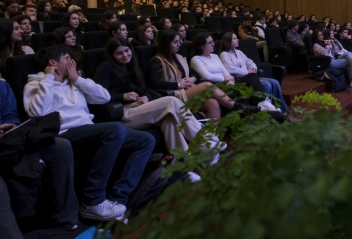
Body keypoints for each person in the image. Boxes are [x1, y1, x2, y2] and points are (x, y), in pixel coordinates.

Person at [24, 45, 155, 221]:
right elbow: (36, 113)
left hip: (88, 131)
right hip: (62, 135)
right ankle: (92, 200)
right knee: (115, 129)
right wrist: (48, 78)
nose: (72, 62)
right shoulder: (36, 83)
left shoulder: (75, 80)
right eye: (67, 58)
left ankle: (118, 200)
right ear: (52, 62)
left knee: (146, 140)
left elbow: (105, 97)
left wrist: (78, 79)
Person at [94, 38, 218, 156]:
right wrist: (122, 96)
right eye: (119, 53)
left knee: (169, 119)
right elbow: (97, 95)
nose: (125, 55)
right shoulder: (106, 67)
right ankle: (206, 140)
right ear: (112, 55)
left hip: (139, 108)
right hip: (122, 113)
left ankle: (182, 163)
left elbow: (145, 90)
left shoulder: (132, 67)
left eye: (127, 51)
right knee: (171, 101)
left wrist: (146, 98)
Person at [0, 80, 80, 237]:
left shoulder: (2, 86)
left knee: (60, 147)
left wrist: (11, 126)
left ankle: (66, 223)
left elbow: (11, 117)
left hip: (7, 143)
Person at [148, 30, 257, 119]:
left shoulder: (179, 57)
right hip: (175, 95)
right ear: (167, 43)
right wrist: (178, 84)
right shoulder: (157, 61)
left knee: (213, 103)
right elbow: (154, 83)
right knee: (206, 85)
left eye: (179, 41)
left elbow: (193, 72)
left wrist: (192, 78)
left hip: (189, 90)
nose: (179, 44)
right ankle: (239, 107)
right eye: (175, 42)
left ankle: (213, 138)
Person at [189, 33, 278, 112]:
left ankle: (263, 103)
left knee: (251, 76)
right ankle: (260, 107)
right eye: (209, 42)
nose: (213, 44)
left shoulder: (215, 56)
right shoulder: (196, 59)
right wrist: (224, 79)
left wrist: (229, 79)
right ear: (201, 46)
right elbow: (207, 76)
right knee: (245, 87)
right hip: (214, 87)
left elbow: (225, 72)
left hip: (227, 83)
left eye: (212, 41)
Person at [219, 32, 289, 112]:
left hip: (250, 77)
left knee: (275, 82)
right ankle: (267, 110)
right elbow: (230, 69)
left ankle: (283, 109)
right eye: (234, 39)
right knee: (267, 84)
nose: (237, 40)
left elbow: (250, 62)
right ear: (228, 42)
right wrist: (247, 71)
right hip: (239, 80)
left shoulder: (239, 52)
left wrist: (253, 68)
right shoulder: (224, 54)